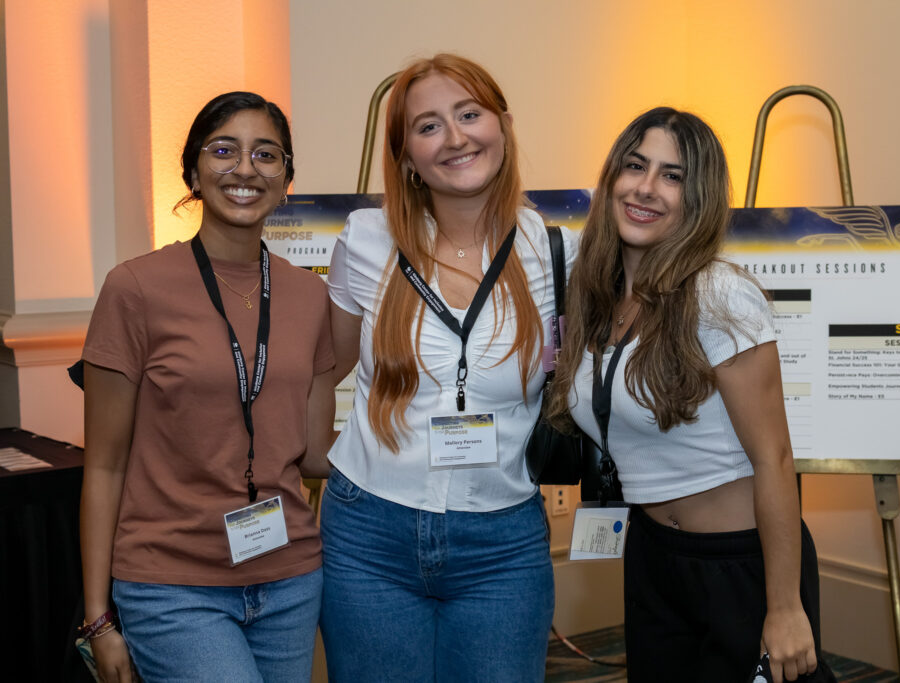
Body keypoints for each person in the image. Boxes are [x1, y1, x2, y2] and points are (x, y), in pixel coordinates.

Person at [547, 107, 836, 683]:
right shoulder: (596, 298)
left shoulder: (718, 294)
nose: (646, 188)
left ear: (697, 197)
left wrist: (783, 607)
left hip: (740, 563)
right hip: (652, 557)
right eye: (635, 165)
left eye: (672, 175)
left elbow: (774, 458)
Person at [320, 54, 573, 682]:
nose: (456, 138)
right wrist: (306, 456)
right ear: (406, 154)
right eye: (429, 126)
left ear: (503, 126)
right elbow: (320, 368)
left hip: (502, 543)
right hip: (368, 534)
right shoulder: (365, 238)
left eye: (469, 114)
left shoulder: (554, 249)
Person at [79, 91, 336, 683]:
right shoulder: (136, 288)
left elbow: (317, 453)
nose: (245, 169)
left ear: (287, 179)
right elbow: (105, 467)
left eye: (266, 155)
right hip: (172, 585)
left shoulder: (311, 296)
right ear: (194, 170)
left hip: (290, 578)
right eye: (224, 150)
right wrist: (97, 619)